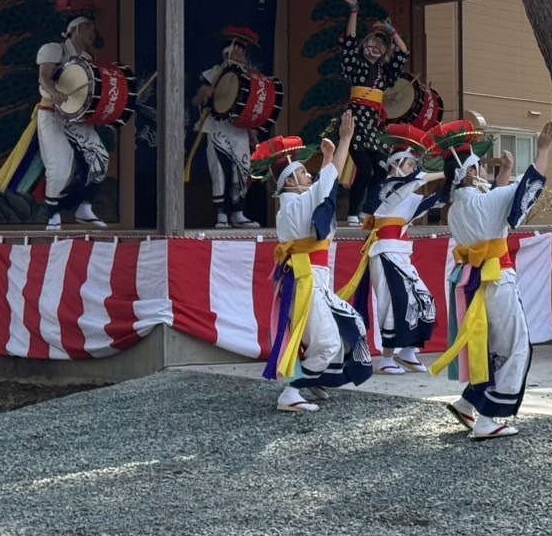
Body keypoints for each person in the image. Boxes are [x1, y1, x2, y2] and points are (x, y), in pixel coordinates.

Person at [430, 121, 552, 441]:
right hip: (497, 278)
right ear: (471, 173)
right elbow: (529, 186)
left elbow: (496, 204)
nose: (485, 171)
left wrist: (503, 174)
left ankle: (467, 403)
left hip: (473, 279)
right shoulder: (483, 202)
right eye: (481, 167)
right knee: (515, 348)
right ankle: (489, 418)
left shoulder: (456, 207)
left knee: (491, 346)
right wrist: (542, 150)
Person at [260, 112, 370, 413]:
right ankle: (291, 393)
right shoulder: (294, 206)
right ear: (292, 181)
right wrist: (342, 143)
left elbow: (324, 185)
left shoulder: (298, 203)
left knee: (352, 326)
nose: (309, 176)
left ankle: (315, 377)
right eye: (304, 174)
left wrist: (334, 154)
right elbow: (326, 185)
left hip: (313, 281)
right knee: (328, 342)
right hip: (305, 283)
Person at [339, 126, 450, 375]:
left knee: (422, 299)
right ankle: (387, 356)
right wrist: (443, 171)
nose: (414, 169)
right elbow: (407, 185)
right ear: (397, 164)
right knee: (393, 301)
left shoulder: (405, 191)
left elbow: (430, 201)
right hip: (384, 251)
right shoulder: (384, 188)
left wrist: (453, 181)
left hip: (401, 251)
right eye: (410, 164)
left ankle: (409, 351)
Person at [36, 0, 110, 230]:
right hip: (52, 113)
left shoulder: (88, 60)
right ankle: (53, 215)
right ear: (76, 28)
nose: (93, 33)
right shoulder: (54, 49)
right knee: (60, 166)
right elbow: (44, 77)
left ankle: (84, 208)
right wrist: (55, 92)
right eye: (88, 27)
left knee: (100, 159)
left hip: (78, 117)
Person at [338, 0, 410, 226]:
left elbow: (404, 53)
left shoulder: (384, 73)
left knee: (381, 168)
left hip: (374, 125)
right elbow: (349, 40)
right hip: (356, 122)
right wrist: (354, 11)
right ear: (365, 44)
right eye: (373, 41)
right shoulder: (355, 64)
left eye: (381, 44)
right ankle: (352, 213)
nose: (376, 46)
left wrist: (392, 33)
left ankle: (368, 210)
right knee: (366, 170)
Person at [190, 27, 262, 228]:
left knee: (242, 169)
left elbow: (250, 111)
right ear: (227, 51)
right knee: (220, 171)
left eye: (244, 51)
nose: (242, 54)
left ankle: (238, 213)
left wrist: (253, 138)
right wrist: (206, 92)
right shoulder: (214, 73)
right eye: (238, 49)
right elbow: (195, 101)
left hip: (239, 130)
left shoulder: (248, 78)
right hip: (217, 129)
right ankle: (221, 216)